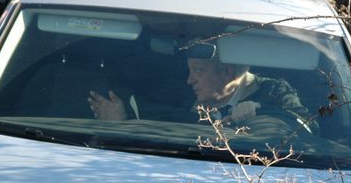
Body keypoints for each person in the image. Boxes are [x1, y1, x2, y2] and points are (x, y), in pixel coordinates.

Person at [87, 54, 314, 132]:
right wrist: (120, 124)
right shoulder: (185, 95)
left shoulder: (275, 91)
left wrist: (263, 113)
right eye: (189, 70)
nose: (189, 79)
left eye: (198, 70)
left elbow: (309, 128)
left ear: (226, 72)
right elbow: (158, 130)